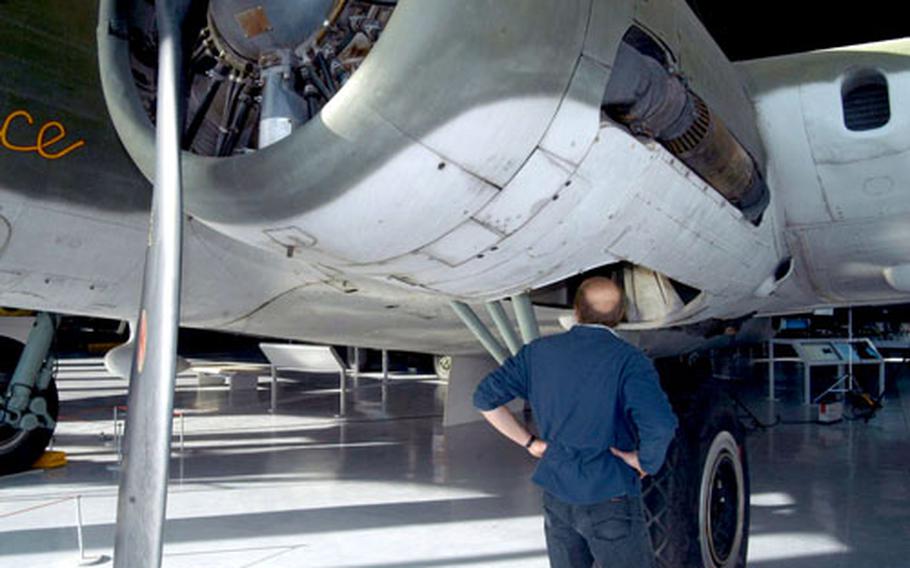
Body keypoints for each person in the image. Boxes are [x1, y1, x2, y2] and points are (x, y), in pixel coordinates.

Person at [473, 276, 678, 568]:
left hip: (557, 496)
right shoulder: (629, 360)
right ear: (620, 316)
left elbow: (484, 399)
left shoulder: (538, 353)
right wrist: (646, 461)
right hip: (610, 496)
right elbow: (660, 424)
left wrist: (530, 442)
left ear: (577, 310)